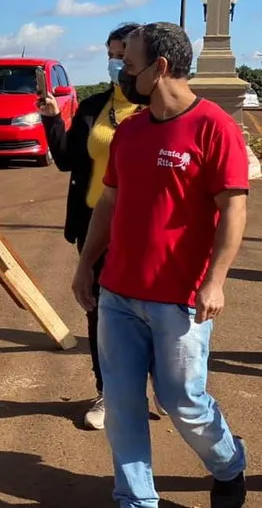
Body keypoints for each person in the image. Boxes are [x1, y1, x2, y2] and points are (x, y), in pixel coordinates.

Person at [73, 22, 248, 507]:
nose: (123, 73)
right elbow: (108, 203)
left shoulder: (214, 127)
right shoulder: (128, 132)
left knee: (182, 402)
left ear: (161, 67)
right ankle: (136, 500)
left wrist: (215, 282)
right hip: (119, 294)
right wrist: (87, 264)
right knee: (124, 405)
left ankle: (229, 463)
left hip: (181, 299)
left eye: (129, 65)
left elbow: (234, 208)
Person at [39, 22, 168, 431]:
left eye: (124, 57)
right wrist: (51, 121)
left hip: (147, 232)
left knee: (153, 314)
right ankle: (108, 392)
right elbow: (67, 160)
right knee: (100, 316)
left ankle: (159, 384)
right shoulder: (95, 107)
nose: (117, 64)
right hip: (95, 227)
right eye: (112, 56)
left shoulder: (159, 110)